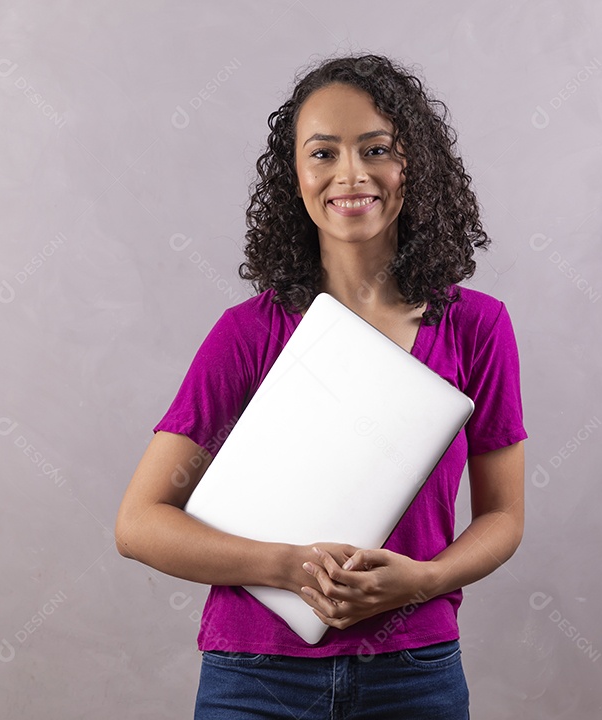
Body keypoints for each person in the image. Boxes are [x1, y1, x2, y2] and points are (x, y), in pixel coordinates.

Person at [116, 52, 527, 719]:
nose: (351, 174)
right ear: (296, 178)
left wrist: (424, 580)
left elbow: (504, 516)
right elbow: (139, 524)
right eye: (324, 153)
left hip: (414, 674)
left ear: (413, 166)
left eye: (377, 149)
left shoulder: (477, 328)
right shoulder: (248, 334)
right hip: (255, 679)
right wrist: (285, 567)